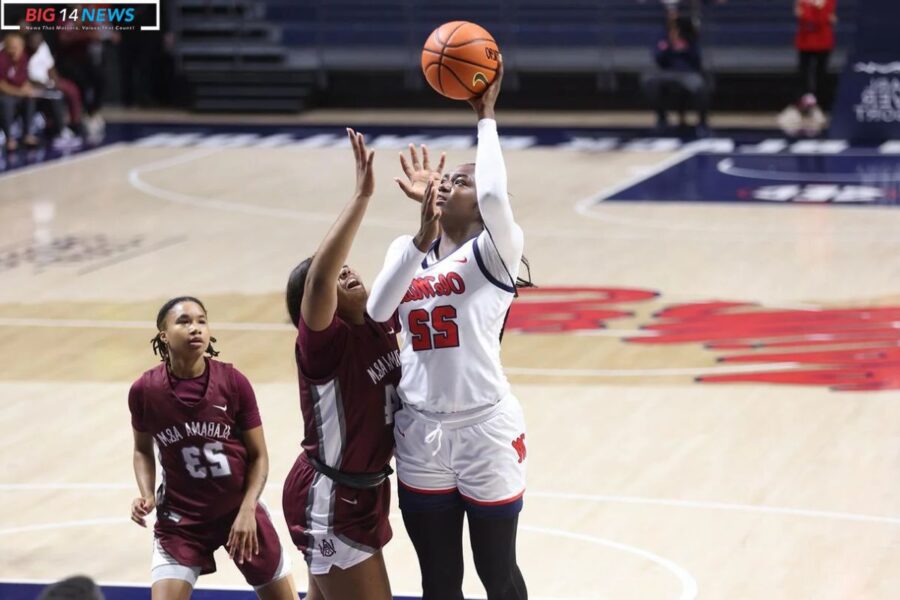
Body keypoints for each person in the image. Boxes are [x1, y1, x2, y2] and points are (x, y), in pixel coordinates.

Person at [367, 59, 528, 600]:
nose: (448, 183)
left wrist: (486, 119)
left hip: (485, 430)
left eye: (462, 181)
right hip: (420, 434)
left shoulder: (495, 253)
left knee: (497, 575)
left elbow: (497, 199)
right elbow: (376, 311)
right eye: (447, 178)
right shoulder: (405, 249)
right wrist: (420, 234)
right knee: (438, 580)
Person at [281, 128, 398, 600]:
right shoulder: (323, 348)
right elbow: (322, 279)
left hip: (362, 492)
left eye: (351, 267)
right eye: (333, 276)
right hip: (330, 496)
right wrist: (362, 196)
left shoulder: (379, 324)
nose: (347, 270)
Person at [129, 296, 296, 600]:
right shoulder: (145, 391)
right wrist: (147, 493)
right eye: (184, 321)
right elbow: (142, 449)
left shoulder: (233, 382)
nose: (195, 328)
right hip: (182, 520)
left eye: (201, 321)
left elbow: (259, 457)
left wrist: (248, 512)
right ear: (163, 335)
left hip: (238, 511)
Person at [640, 13, 710, 135]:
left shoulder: (690, 36)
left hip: (687, 73)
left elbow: (697, 60)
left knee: (700, 86)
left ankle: (702, 123)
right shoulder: (662, 37)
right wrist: (668, 47)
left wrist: (684, 49)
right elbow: (658, 58)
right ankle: (662, 120)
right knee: (649, 81)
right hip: (667, 72)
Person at [778, 0, 836, 135]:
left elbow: (821, 20)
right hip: (805, 42)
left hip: (823, 43)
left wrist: (816, 9)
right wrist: (816, 9)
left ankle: (819, 108)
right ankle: (799, 108)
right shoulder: (802, 1)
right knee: (802, 75)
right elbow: (806, 19)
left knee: (820, 75)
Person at [0, 33, 38, 151]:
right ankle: (9, 138)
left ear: (22, 47)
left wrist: (27, 88)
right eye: (10, 47)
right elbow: (1, 85)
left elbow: (25, 79)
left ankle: (28, 134)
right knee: (6, 103)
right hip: (4, 94)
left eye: (16, 47)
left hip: (16, 92)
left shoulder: (24, 58)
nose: (13, 51)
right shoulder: (2, 59)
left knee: (30, 97)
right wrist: (20, 92)